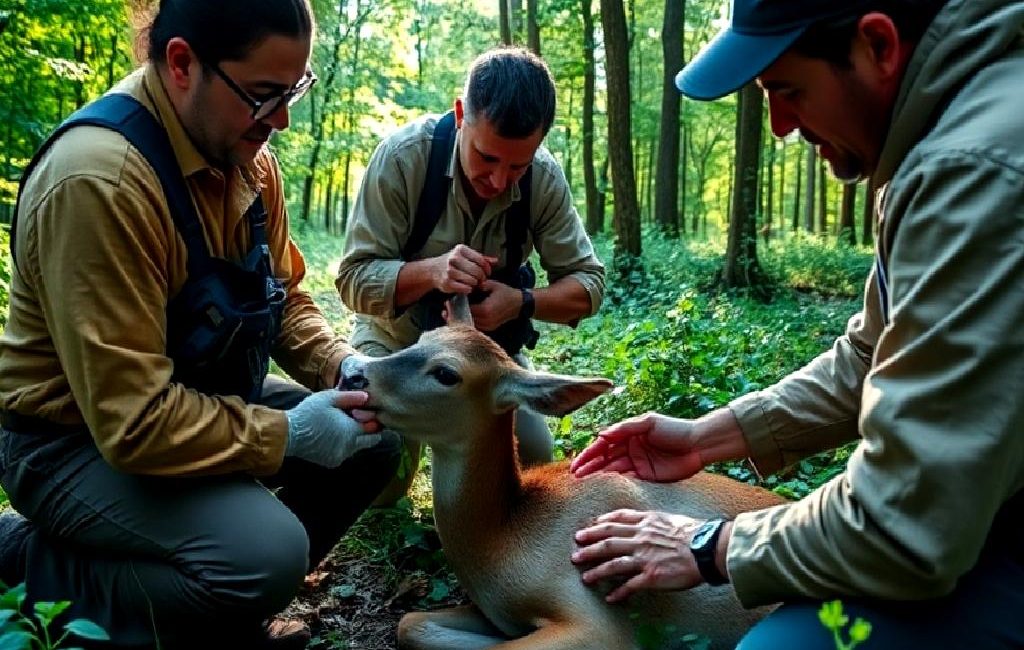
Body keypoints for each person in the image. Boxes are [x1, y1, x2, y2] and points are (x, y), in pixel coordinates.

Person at [569, 0, 1024, 647]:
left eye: (788, 90)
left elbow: (906, 524)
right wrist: (710, 436)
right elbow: (870, 353)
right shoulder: (954, 127)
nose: (780, 125)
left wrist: (708, 545)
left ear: (878, 46)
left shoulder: (972, 170)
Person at [0, 1, 401, 648]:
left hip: (192, 397)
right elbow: (131, 423)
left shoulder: (243, 154)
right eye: (266, 95)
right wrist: (290, 434)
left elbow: (284, 297)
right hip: (71, 442)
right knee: (264, 556)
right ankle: (25, 558)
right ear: (182, 63)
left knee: (373, 441)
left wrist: (341, 366)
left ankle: (219, 607)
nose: (285, 118)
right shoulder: (100, 182)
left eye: (294, 90)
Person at [337, 46, 605, 502]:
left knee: (534, 461)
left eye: (517, 165)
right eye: (486, 158)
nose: (500, 181)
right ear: (461, 114)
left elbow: (588, 286)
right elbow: (353, 282)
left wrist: (519, 303)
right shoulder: (404, 159)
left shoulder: (543, 179)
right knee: (381, 472)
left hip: (484, 366)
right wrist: (432, 272)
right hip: (398, 346)